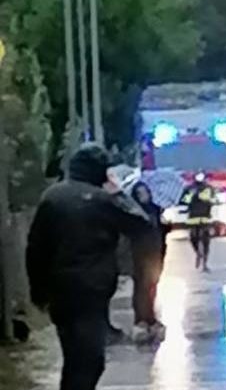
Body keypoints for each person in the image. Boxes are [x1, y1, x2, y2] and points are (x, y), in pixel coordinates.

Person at [26, 143, 152, 390]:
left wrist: (38, 292)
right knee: (90, 361)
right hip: (91, 292)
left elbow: (36, 248)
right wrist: (118, 192)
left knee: (75, 358)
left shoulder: (51, 197)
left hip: (60, 293)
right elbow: (141, 224)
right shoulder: (103, 200)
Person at [130, 182, 167, 343]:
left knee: (152, 287)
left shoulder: (156, 209)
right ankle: (141, 320)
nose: (143, 195)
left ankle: (150, 317)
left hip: (155, 252)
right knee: (141, 287)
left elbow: (162, 231)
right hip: (139, 253)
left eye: (145, 192)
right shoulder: (132, 212)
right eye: (139, 193)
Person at [180, 172, 216, 272]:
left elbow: (212, 199)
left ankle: (205, 264)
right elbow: (184, 200)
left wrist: (201, 195)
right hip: (193, 217)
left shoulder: (209, 188)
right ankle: (198, 253)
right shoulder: (189, 188)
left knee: (206, 241)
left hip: (205, 217)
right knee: (193, 238)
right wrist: (192, 195)